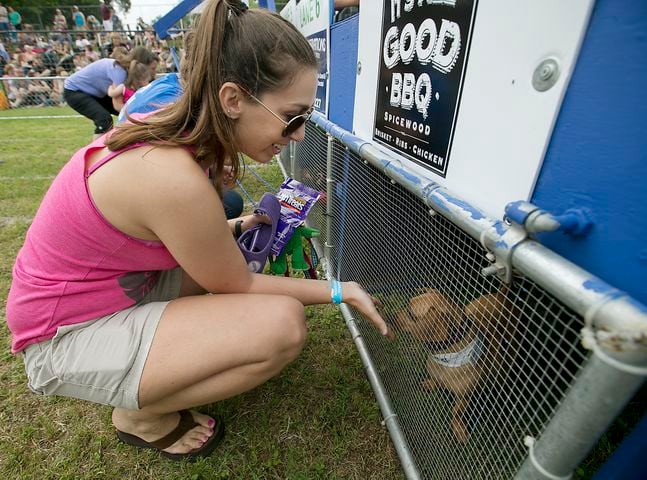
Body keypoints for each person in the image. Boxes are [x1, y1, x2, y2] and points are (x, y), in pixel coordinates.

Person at [5, 0, 390, 461]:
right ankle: (140, 417)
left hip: (107, 294)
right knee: (281, 326)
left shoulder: (176, 141)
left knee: (240, 279)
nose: (300, 135)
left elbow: (176, 241)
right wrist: (338, 290)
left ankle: (143, 381)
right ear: (232, 99)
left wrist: (234, 225)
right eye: (294, 117)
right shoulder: (171, 174)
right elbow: (238, 282)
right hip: (62, 337)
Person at [62, 46, 158, 137]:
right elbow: (117, 106)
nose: (153, 73)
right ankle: (97, 153)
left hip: (94, 92)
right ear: (141, 65)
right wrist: (140, 117)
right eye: (152, 69)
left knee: (128, 113)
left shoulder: (128, 72)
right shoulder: (120, 72)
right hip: (74, 90)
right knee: (104, 120)